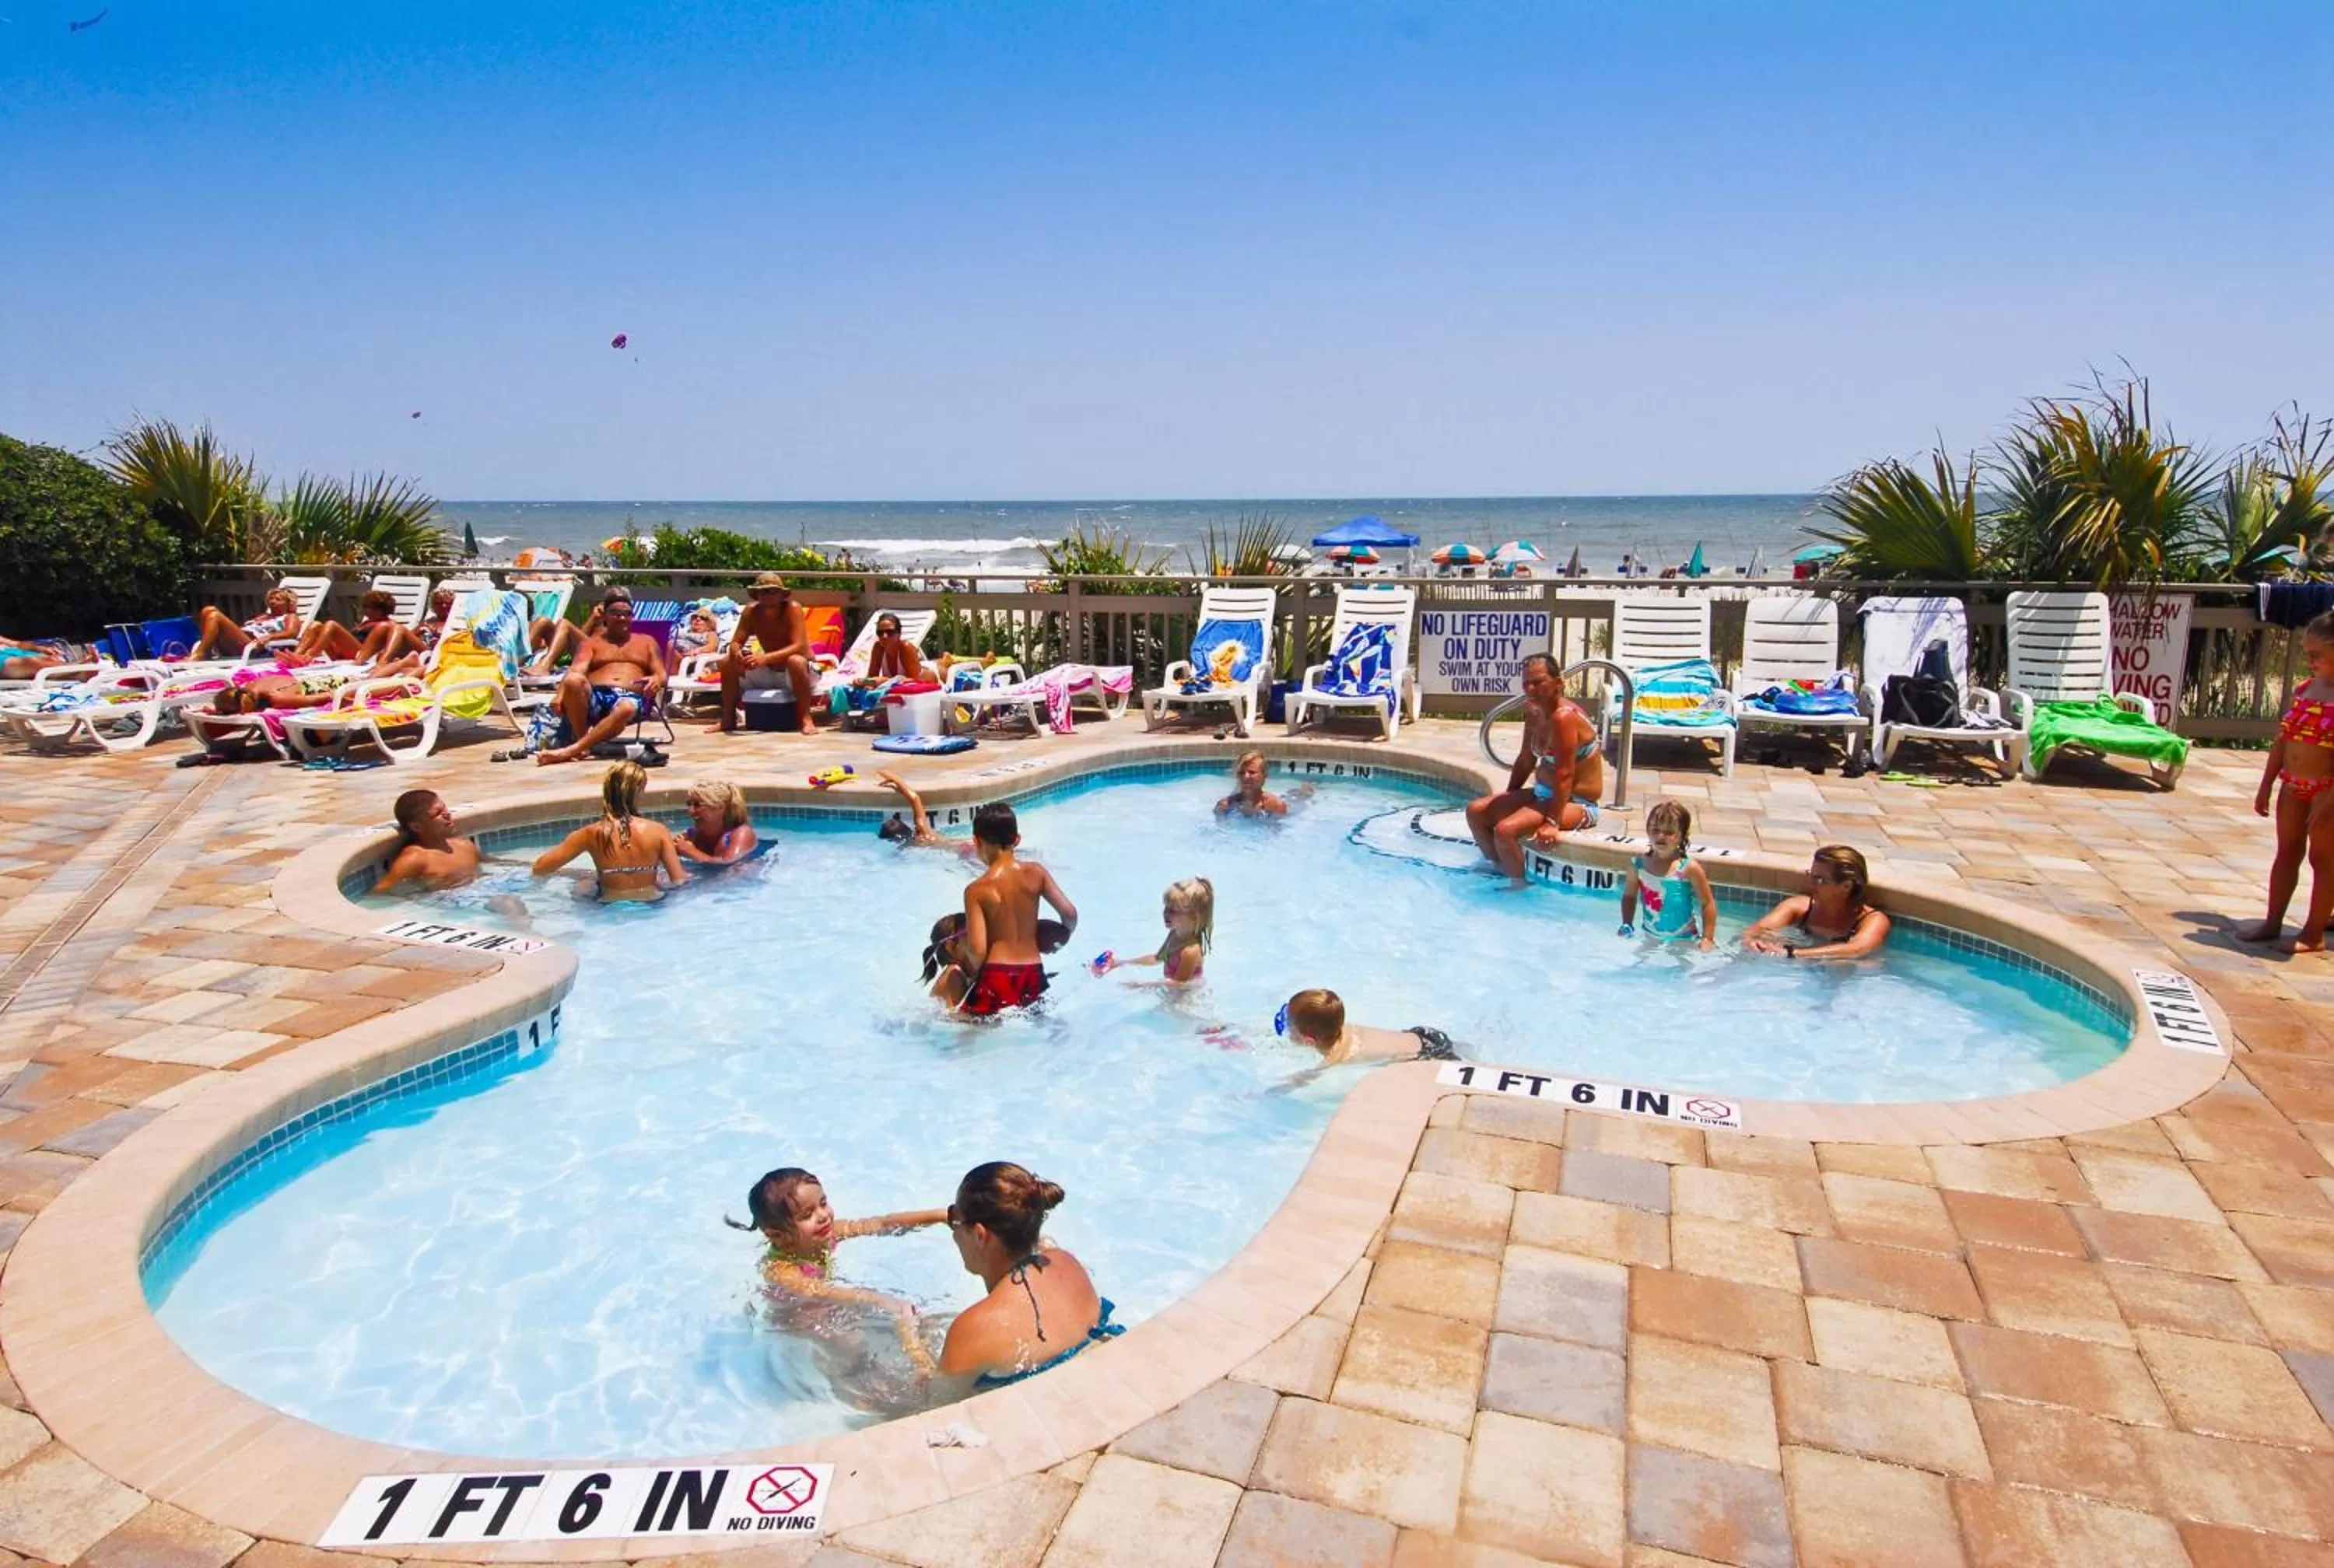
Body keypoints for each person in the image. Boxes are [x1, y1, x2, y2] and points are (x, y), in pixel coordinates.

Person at [724, 1166, 945, 1374]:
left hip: (826, 1299)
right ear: (776, 1236)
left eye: (823, 1203)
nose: (823, 1216)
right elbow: (817, 1291)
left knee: (915, 1317)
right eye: (807, 1215)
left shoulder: (826, 1234)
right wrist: (874, 1299)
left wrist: (941, 1215)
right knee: (851, 1345)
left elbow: (882, 1224)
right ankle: (846, 1379)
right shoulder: (780, 1270)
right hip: (797, 1317)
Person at [937, 1162, 1121, 1388]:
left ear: (979, 1235)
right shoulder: (1068, 1262)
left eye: (955, 1221)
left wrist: (909, 1335)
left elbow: (934, 1404)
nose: (954, 1234)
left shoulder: (973, 1328)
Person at [1465, 653, 1606, 884]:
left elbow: (1565, 773)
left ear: (1558, 683)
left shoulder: (1564, 717)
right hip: (1542, 795)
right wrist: (1509, 795)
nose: (1531, 689)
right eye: (1526, 683)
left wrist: (1552, 822)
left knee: (1505, 831)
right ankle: (1499, 870)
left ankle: (1519, 887)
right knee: (1476, 812)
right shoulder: (1534, 712)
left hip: (1577, 804)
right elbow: (1525, 761)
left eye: (1538, 682)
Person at [2243, 611, 2334, 950]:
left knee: (2323, 860)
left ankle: (2312, 934)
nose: (2308, 660)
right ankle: (2272, 921)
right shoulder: (2305, 689)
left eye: (2317, 655)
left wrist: (2328, 801)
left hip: (2327, 790)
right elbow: (2283, 740)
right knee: (2286, 853)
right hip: (2292, 785)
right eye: (2306, 653)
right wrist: (2267, 784)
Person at [959, 803, 1078, 1017]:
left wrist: (967, 975)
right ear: (1017, 839)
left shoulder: (976, 890)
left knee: (968, 1037)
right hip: (1033, 972)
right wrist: (1063, 935)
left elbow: (977, 951)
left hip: (996, 975)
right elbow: (1070, 914)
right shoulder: (1036, 873)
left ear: (977, 841)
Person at [536, 590, 666, 766]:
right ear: (604, 615)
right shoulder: (591, 643)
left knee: (626, 707)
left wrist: (656, 680)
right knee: (573, 680)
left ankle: (572, 750)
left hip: (629, 698)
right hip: (595, 698)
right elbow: (576, 670)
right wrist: (560, 695)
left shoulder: (647, 642)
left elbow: (661, 674)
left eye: (627, 614)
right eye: (615, 613)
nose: (622, 618)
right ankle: (583, 743)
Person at [530, 761, 685, 901]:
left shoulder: (590, 833)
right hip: (653, 904)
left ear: (607, 791)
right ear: (639, 793)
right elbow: (679, 880)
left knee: (583, 884)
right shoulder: (658, 831)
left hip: (609, 906)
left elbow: (540, 868)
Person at [1742, 845, 1891, 960]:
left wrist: (1792, 954)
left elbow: (1858, 949)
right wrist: (1751, 940)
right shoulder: (1799, 907)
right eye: (1811, 876)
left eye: (1820, 880)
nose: (1811, 884)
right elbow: (1759, 929)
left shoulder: (1872, 920)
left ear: (1846, 886)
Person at [720, 572, 818, 736]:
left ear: (781, 594)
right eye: (763, 591)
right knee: (726, 662)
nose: (768, 596)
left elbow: (799, 646)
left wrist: (764, 658)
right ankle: (728, 718)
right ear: (757, 594)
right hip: (770, 669)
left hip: (801, 671)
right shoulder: (751, 611)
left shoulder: (792, 608)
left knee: (796, 661)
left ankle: (806, 718)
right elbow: (736, 642)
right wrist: (738, 654)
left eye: (773, 591)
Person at [1620, 799, 1718, 950]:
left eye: (1669, 832)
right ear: (1647, 831)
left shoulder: (1688, 868)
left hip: (1685, 937)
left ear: (1681, 836)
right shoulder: (1638, 866)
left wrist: (1708, 938)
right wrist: (1627, 923)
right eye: (1655, 830)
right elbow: (1629, 896)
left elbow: (1707, 904)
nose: (1660, 836)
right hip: (1650, 934)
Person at [1277, 988, 1460, 1065]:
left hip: (1430, 1055)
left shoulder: (1336, 1058)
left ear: (1309, 1041)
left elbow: (1301, 1081)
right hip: (1423, 1035)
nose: (1286, 1028)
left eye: (1289, 1027)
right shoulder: (1337, 1029)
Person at [1095, 877, 1211, 983]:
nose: (1166, 913)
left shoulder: (1190, 952)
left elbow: (1178, 984)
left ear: (1194, 917)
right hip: (1173, 996)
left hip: (1188, 1001)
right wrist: (1121, 963)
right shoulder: (1174, 935)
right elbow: (1158, 958)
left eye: (1174, 910)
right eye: (1166, 907)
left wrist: (1142, 986)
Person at [373, 789, 482, 893]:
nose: (447, 815)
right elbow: (380, 892)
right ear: (416, 827)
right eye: (438, 813)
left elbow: (490, 864)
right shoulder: (415, 858)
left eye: (445, 809)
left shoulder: (464, 845)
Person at [284, 589, 415, 667]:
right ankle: (296, 655)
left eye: (367, 607)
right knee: (316, 625)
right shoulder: (365, 623)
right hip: (344, 654)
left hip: (360, 656)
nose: (364, 610)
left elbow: (397, 641)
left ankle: (308, 657)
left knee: (331, 625)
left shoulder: (388, 624)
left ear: (380, 610)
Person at [190, 586, 303, 660]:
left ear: (289, 604)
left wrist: (269, 637)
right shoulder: (262, 616)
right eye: (271, 598)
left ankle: (200, 654)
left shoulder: (289, 616)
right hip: (238, 644)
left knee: (214, 613)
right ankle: (205, 653)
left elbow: (291, 633)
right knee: (207, 611)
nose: (272, 601)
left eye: (278, 599)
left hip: (252, 648)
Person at [876, 769, 965, 852]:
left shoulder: (907, 847)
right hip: (963, 848)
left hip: (961, 850)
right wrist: (897, 780)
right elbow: (914, 798)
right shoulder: (923, 831)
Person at [677, 779, 758, 865]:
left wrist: (691, 852)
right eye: (689, 804)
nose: (691, 811)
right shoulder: (692, 835)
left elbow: (731, 865)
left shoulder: (742, 833)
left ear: (720, 807)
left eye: (698, 805)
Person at [1215, 751, 1291, 817]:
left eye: (1252, 772)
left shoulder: (1276, 806)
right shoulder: (1224, 805)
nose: (1246, 777)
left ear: (1264, 775)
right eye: (1241, 773)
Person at [860, 611, 926, 686]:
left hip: (930, 678)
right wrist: (863, 682)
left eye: (890, 632)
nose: (884, 636)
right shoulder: (878, 648)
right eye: (880, 633)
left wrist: (886, 681)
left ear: (899, 634)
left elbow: (916, 681)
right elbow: (872, 677)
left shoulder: (906, 648)